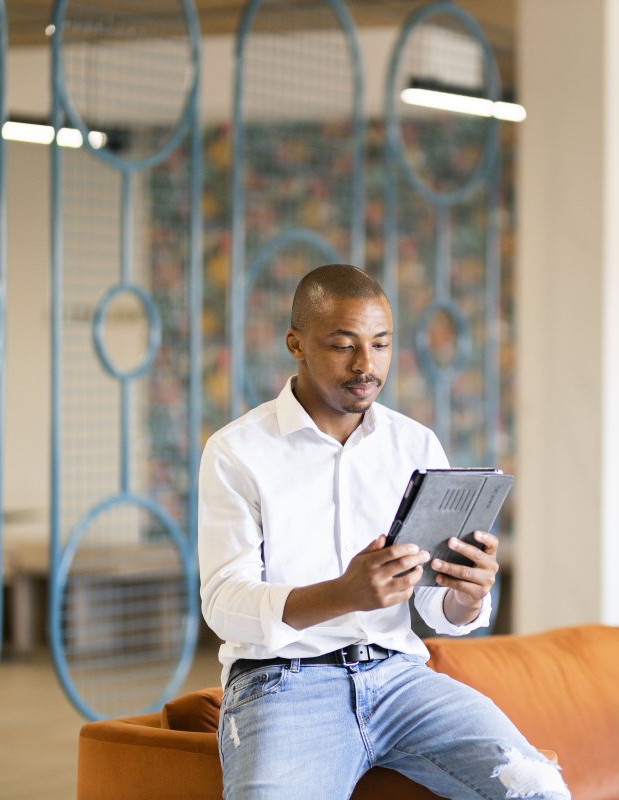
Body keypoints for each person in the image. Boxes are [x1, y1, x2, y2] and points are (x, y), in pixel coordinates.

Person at [198, 264, 570, 799]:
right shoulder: (237, 452)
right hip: (282, 685)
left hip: (401, 680)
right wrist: (342, 595)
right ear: (295, 343)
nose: (365, 366)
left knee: (539, 790)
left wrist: (467, 596)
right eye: (343, 345)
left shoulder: (414, 445)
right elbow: (224, 604)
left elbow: (435, 604)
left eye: (380, 345)